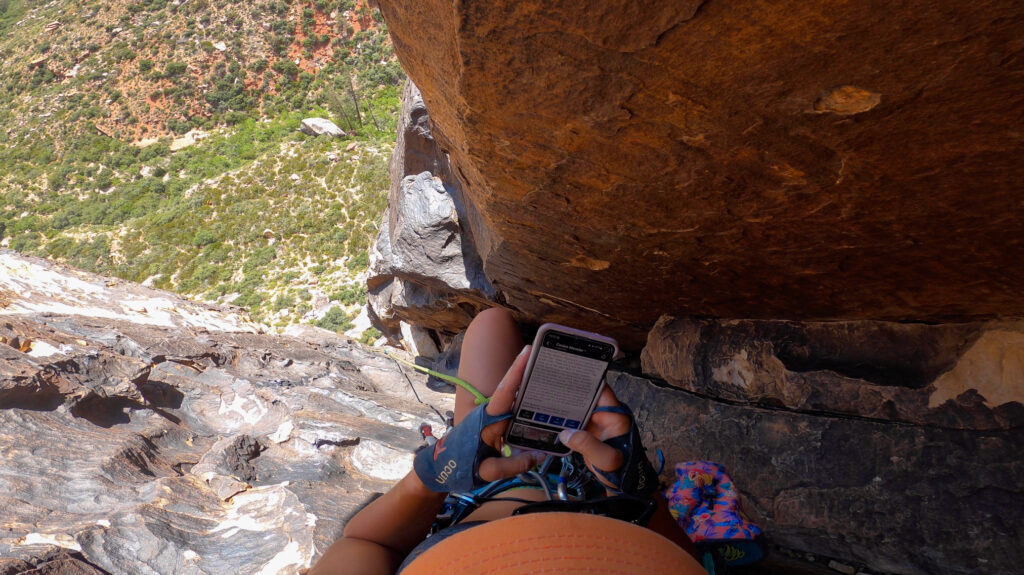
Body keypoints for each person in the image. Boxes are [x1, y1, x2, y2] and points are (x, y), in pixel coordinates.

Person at [309, 308, 704, 575]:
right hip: (596, 490)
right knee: (493, 328)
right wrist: (635, 492)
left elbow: (364, 540)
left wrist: (438, 471)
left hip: (486, 485)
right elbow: (686, 562)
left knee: (492, 323)